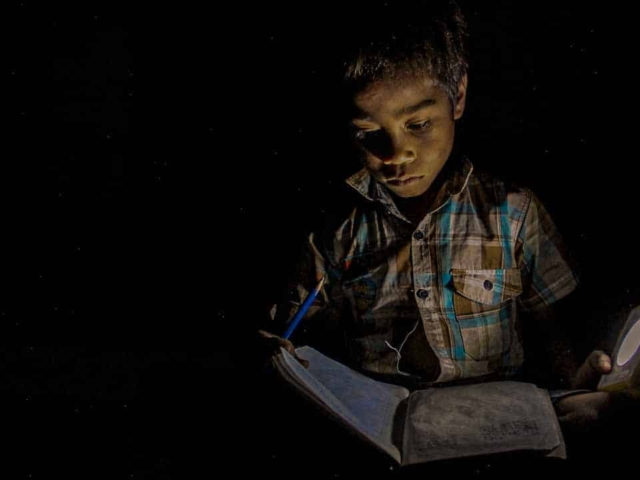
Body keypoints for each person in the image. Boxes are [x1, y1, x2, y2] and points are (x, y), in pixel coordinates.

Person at [254, 0, 632, 465]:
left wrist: (574, 381)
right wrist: (284, 352)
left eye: (418, 124)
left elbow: (555, 326)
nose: (396, 154)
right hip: (381, 441)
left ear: (457, 97)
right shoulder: (334, 232)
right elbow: (305, 341)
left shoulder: (512, 213)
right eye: (367, 132)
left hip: (500, 438)